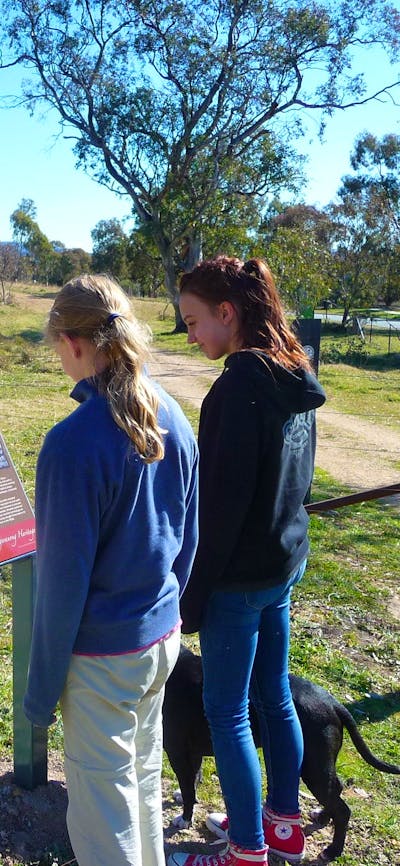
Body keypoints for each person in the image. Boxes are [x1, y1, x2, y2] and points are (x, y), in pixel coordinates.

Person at [23, 274, 198, 866]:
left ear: (71, 343)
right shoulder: (173, 412)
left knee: (104, 816)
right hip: (160, 640)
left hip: (101, 662)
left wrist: (38, 696)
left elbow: (60, 588)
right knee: (142, 783)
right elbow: (188, 538)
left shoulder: (72, 444)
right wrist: (170, 610)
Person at [168, 256, 326, 866]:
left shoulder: (235, 392)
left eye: (194, 320)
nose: (190, 334)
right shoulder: (293, 371)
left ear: (227, 314)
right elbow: (297, 480)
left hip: (238, 581)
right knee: (275, 697)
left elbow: (220, 512)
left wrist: (194, 595)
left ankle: (245, 850)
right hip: (282, 567)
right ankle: (283, 825)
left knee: (229, 713)